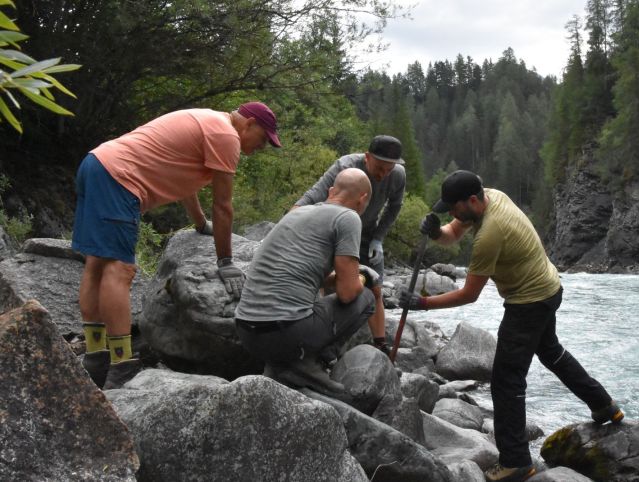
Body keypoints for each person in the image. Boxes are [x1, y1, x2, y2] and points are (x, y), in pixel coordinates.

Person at [399, 170, 624, 482]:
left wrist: (423, 303)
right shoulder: (491, 195)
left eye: (454, 208)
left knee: (506, 381)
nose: (452, 213)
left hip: (528, 302)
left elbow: (469, 294)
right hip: (549, 287)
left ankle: (516, 462)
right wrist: (438, 233)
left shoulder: (491, 232)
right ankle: (604, 405)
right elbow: (452, 233)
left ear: (473, 201)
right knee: (552, 353)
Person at [73, 102, 281, 390]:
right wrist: (226, 262)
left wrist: (199, 223)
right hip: (119, 179)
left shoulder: (209, 120)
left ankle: (96, 359)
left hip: (97, 163)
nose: (262, 147)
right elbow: (223, 206)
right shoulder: (227, 136)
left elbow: (188, 182)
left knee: (96, 265)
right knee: (119, 270)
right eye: (264, 139)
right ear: (249, 124)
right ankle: (121, 364)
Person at [236, 168, 385, 398]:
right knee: (365, 298)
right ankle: (309, 364)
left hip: (247, 331)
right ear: (363, 199)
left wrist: (345, 277)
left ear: (331, 191)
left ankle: (284, 364)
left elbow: (311, 275)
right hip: (287, 334)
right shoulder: (348, 218)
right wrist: (363, 278)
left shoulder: (296, 213)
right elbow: (347, 294)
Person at [290, 135, 405, 354]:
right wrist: (288, 229)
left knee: (375, 286)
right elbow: (310, 198)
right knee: (324, 281)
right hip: (331, 230)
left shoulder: (397, 175)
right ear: (367, 157)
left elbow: (395, 207)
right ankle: (320, 339)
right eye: (379, 168)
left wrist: (379, 237)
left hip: (366, 233)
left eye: (388, 170)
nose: (383, 175)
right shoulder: (345, 168)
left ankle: (380, 344)